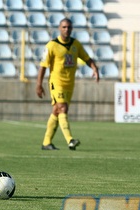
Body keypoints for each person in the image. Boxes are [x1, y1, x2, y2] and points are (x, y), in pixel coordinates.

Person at [36, 18, 100, 151]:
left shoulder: (76, 44)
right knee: (62, 108)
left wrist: (94, 68)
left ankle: (46, 142)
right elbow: (43, 66)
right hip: (56, 82)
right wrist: (39, 84)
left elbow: (87, 58)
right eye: (64, 27)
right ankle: (70, 140)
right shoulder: (51, 45)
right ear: (59, 28)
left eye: (69, 27)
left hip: (70, 84)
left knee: (57, 111)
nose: (67, 30)